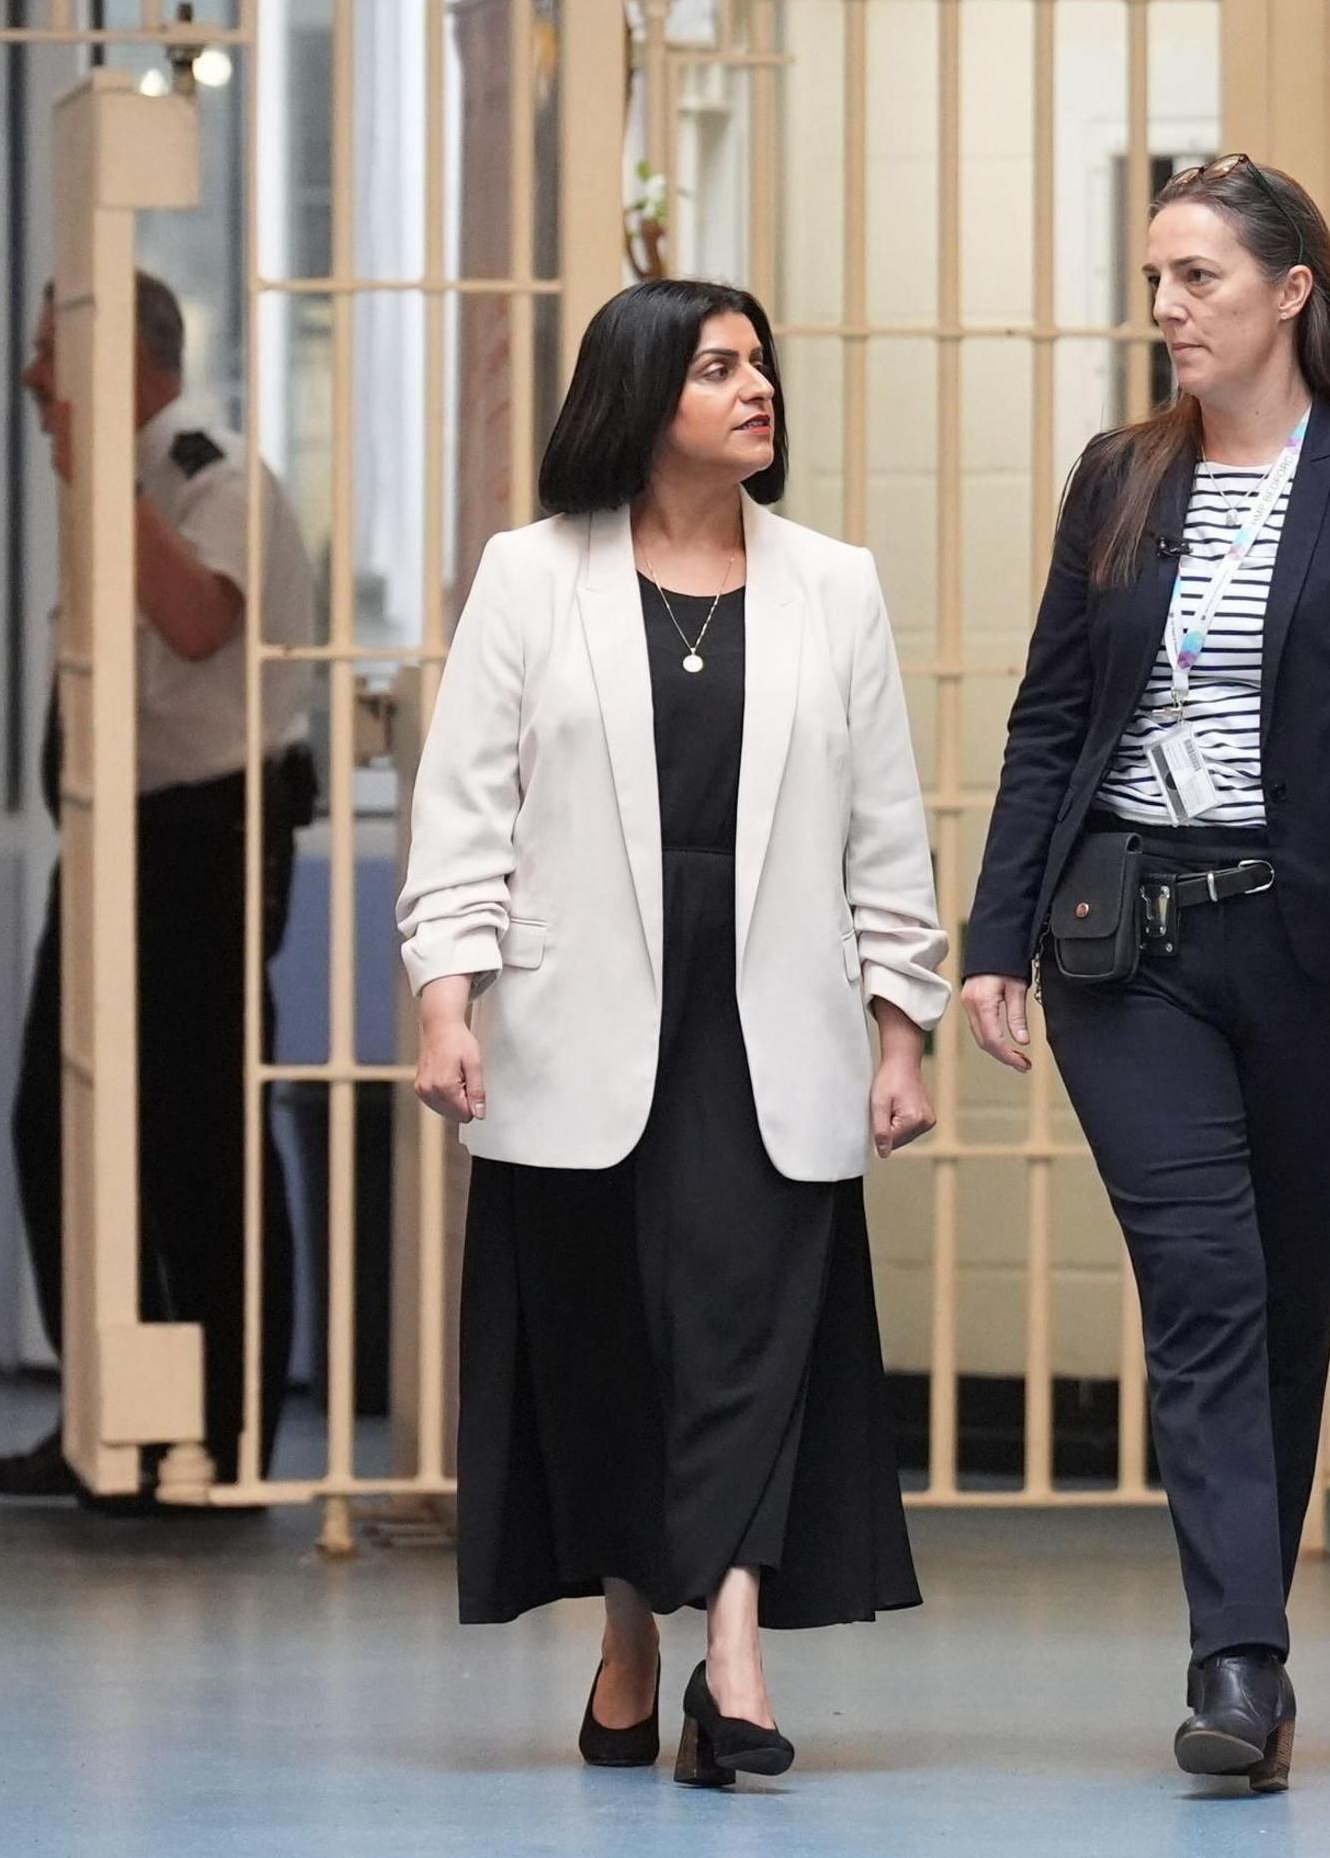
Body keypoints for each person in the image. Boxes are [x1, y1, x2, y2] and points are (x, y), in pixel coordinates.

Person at [960, 153, 1330, 1792]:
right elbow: (1052, 720)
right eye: (1156, 282)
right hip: (1133, 938)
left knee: (1290, 1291)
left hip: (1319, 941)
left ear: (1291, 291)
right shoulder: (1119, 476)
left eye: (1198, 279)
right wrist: (995, 941)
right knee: (1203, 1279)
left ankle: (1250, 1633)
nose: (1167, 309)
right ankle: (1236, 1659)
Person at [398, 278, 947, 1787]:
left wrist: (904, 1032)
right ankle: (635, 1639)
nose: (757, 389)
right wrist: (448, 998)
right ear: (642, 400)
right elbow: (464, 817)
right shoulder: (532, 576)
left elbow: (885, 837)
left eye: (763, 364)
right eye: (719, 369)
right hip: (579, 1029)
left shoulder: (835, 584)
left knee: (754, 1340)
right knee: (614, 1348)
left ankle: (741, 1656)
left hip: (772, 1026)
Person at [0, 273, 317, 1511]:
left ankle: (216, 1448)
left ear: (126, 358)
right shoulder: (123, 481)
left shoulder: (206, 474)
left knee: (198, 1139)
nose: (29, 382)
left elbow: (191, 624)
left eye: (46, 352)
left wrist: (108, 486)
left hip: (204, 836)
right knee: (62, 1126)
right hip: (116, 833)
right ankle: (112, 1424)